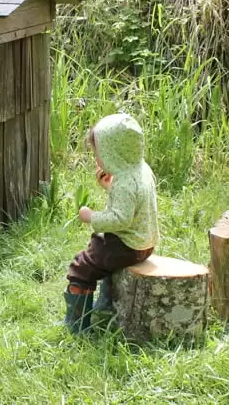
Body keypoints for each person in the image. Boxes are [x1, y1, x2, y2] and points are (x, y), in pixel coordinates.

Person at [64, 113, 159, 334]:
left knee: (82, 267)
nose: (97, 158)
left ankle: (77, 325)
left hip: (127, 246)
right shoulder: (140, 170)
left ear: (113, 152)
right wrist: (109, 188)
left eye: (98, 153)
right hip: (144, 242)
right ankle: (104, 306)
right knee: (101, 251)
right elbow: (134, 206)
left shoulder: (125, 182)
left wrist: (91, 217)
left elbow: (120, 219)